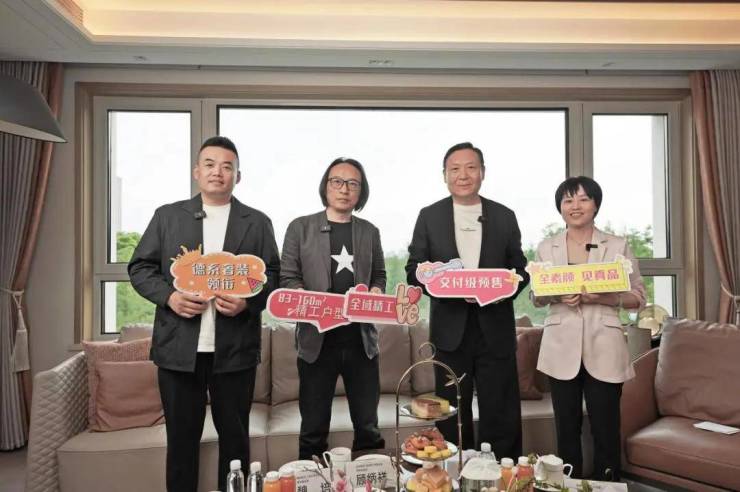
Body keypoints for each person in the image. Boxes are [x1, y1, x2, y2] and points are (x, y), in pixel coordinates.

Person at [128, 136, 280, 492]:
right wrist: (170, 297)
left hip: (235, 351)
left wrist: (248, 302)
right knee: (181, 441)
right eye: (210, 164)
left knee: (235, 440)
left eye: (227, 167)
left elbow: (273, 276)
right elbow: (140, 267)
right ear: (197, 172)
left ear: (238, 176)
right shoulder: (168, 216)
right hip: (179, 351)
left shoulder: (257, 222)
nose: (218, 172)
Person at [405, 142, 529, 458]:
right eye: (455, 169)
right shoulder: (429, 216)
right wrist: (431, 278)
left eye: (471, 167)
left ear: (482, 172)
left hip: (495, 328)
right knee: (450, 412)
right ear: (444, 175)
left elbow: (520, 270)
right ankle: (452, 472)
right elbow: (414, 269)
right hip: (450, 332)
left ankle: (502, 473)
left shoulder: (504, 216)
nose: (463, 175)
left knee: (500, 411)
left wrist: (498, 290)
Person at [532, 176, 646, 481]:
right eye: (568, 200)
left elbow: (638, 297)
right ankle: (567, 485)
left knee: (606, 427)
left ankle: (607, 484)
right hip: (560, 347)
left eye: (583, 199)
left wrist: (604, 297)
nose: (575, 206)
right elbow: (536, 296)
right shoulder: (546, 247)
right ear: (560, 207)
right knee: (566, 428)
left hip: (604, 344)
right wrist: (557, 295)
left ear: (595, 205)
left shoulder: (617, 245)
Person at [280, 157, 386, 459]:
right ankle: (313, 478)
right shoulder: (300, 228)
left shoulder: (369, 231)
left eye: (353, 183)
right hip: (317, 343)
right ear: (325, 186)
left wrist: (376, 291)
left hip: (361, 343)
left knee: (368, 426)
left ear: (361, 191)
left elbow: (379, 275)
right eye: (337, 181)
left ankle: (369, 479)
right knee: (313, 429)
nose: (344, 189)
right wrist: (306, 300)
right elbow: (287, 278)